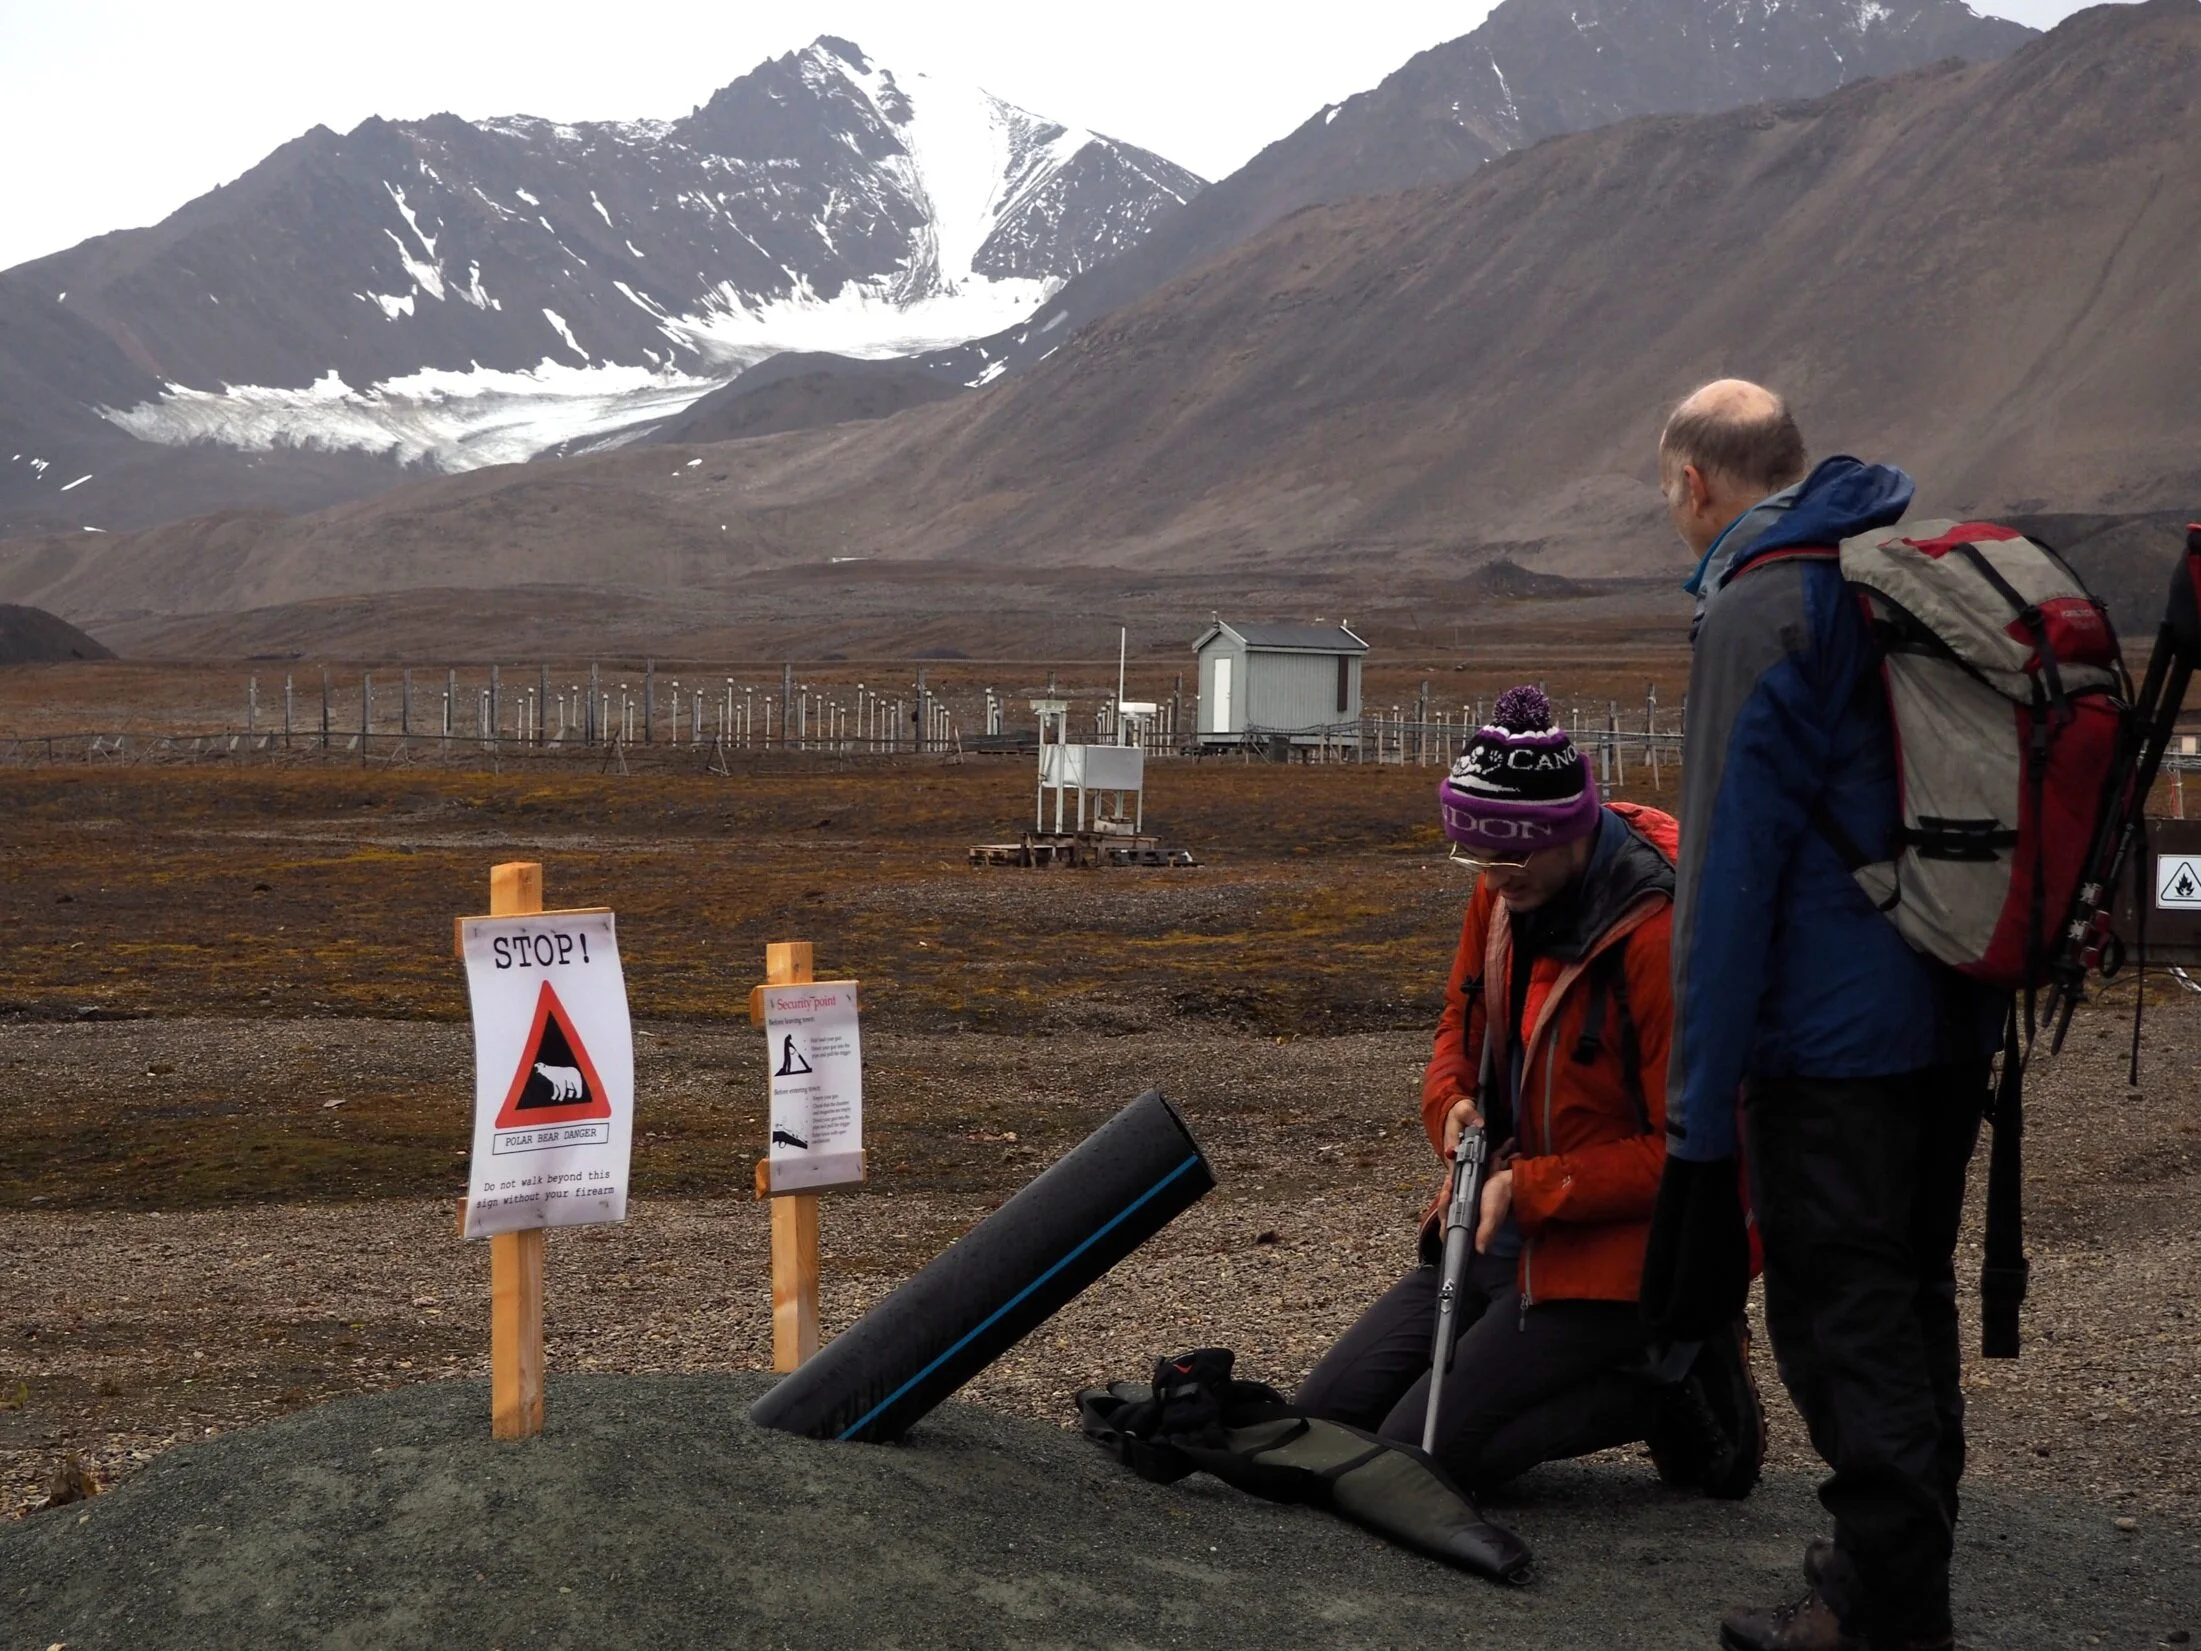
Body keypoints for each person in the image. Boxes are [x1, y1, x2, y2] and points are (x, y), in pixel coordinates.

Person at [1640, 381, 2010, 1651]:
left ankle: (1885, 1614)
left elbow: (1724, 885)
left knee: (1841, 1318)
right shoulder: (1880, 575)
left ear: (1695, 482)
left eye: (1664, 487)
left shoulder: (1759, 608)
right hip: (1950, 1012)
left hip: (1831, 1050)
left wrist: (1696, 1126)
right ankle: (1882, 1577)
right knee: (1905, 1300)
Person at [1296, 685, 1763, 1498]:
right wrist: (1451, 1105)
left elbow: (1694, 1149)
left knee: (1423, 1457)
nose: (1490, 875)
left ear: (1566, 831)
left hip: (1617, 1256)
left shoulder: (1659, 937)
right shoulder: (1504, 893)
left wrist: (1532, 1187)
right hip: (1496, 1227)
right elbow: (1459, 1022)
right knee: (1328, 1416)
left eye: (1508, 856)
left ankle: (1671, 1378)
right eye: (1474, 856)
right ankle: (1521, 1342)